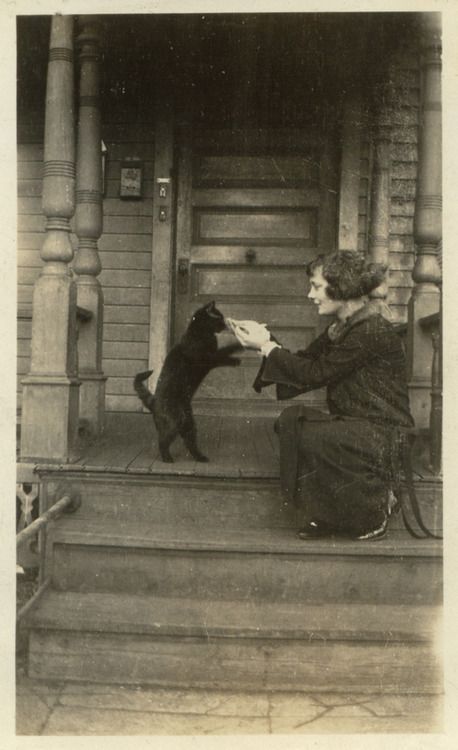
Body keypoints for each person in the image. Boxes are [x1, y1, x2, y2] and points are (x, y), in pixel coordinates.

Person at [230, 251, 414, 541]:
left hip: (385, 432)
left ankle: (373, 512)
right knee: (292, 422)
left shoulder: (370, 331)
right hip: (358, 427)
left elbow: (314, 374)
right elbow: (306, 363)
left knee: (316, 436)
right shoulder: (342, 327)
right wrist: (264, 343)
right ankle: (333, 513)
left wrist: (266, 347)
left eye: (316, 286)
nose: (310, 294)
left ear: (342, 288)